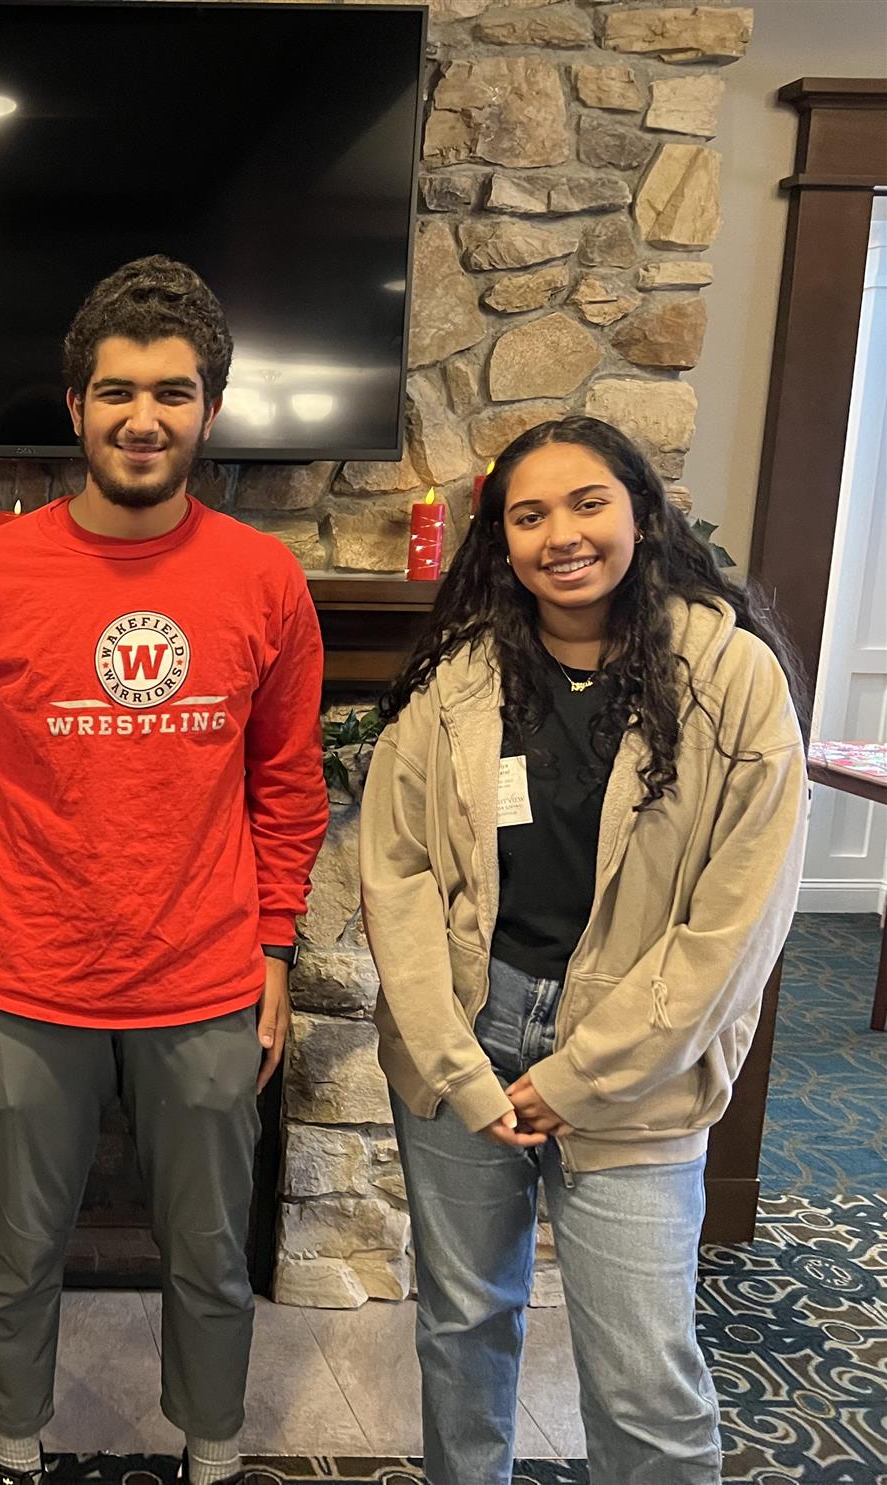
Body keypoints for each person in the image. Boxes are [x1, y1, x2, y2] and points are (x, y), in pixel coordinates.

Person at [0, 255, 328, 1485]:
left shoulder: (264, 578)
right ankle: (14, 1449)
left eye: (173, 393)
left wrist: (275, 949)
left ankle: (213, 1451)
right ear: (77, 405)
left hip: (204, 979)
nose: (145, 418)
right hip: (24, 979)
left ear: (210, 410)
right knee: (15, 1250)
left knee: (210, 1255)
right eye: (119, 392)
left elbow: (288, 788)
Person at [360, 415, 808, 1485]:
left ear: (642, 513)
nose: (560, 534)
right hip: (468, 1039)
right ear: (502, 541)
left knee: (643, 1375)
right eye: (529, 515)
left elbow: (736, 923)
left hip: (643, 1062)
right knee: (462, 1324)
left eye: (587, 503)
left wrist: (583, 1074)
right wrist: (456, 1065)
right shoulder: (460, 678)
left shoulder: (732, 678)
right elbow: (398, 872)